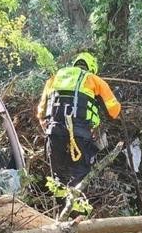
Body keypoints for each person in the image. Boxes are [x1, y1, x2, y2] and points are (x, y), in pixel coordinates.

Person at [36, 52, 121, 186]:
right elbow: (113, 111)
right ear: (92, 67)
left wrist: (46, 125)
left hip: (54, 131)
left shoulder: (55, 77)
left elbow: (41, 110)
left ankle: (61, 205)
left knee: (57, 177)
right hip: (80, 134)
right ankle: (74, 204)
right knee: (79, 175)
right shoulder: (93, 79)